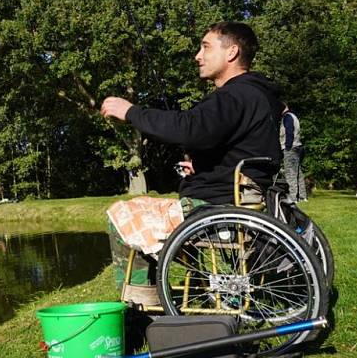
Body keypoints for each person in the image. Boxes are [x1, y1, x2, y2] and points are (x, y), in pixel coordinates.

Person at [100, 21, 283, 256]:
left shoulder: (234, 95)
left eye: (206, 47)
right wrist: (201, 165)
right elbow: (240, 148)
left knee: (121, 217)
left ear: (232, 52)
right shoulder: (256, 94)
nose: (198, 56)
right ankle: (191, 288)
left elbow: (189, 128)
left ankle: (141, 294)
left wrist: (131, 112)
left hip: (218, 206)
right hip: (242, 196)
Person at [280, 105, 307, 202]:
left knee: (290, 173)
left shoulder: (287, 117)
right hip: (297, 147)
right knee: (298, 173)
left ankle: (293, 198)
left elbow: (289, 132)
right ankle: (302, 197)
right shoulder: (293, 116)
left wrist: (287, 147)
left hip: (290, 148)